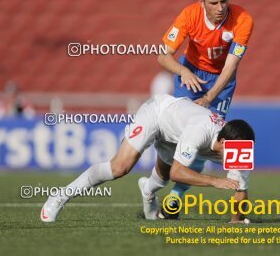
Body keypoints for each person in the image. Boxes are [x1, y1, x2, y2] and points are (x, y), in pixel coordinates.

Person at [40, 94, 255, 223]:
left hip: (175, 132)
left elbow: (240, 190)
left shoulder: (238, 148)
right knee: (120, 168)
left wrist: (235, 221)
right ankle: (59, 196)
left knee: (160, 179)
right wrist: (215, 181)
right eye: (236, 150)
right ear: (225, 143)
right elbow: (178, 173)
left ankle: (148, 192)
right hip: (157, 113)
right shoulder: (199, 132)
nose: (239, 157)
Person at [157, 0, 254, 213]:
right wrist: (183, 72)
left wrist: (209, 97)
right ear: (201, 2)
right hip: (190, 75)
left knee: (208, 140)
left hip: (221, 80)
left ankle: (175, 199)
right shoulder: (189, 15)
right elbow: (162, 55)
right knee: (180, 138)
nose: (220, 8)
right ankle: (153, 184)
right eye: (213, 3)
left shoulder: (243, 19)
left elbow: (231, 66)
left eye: (224, 1)